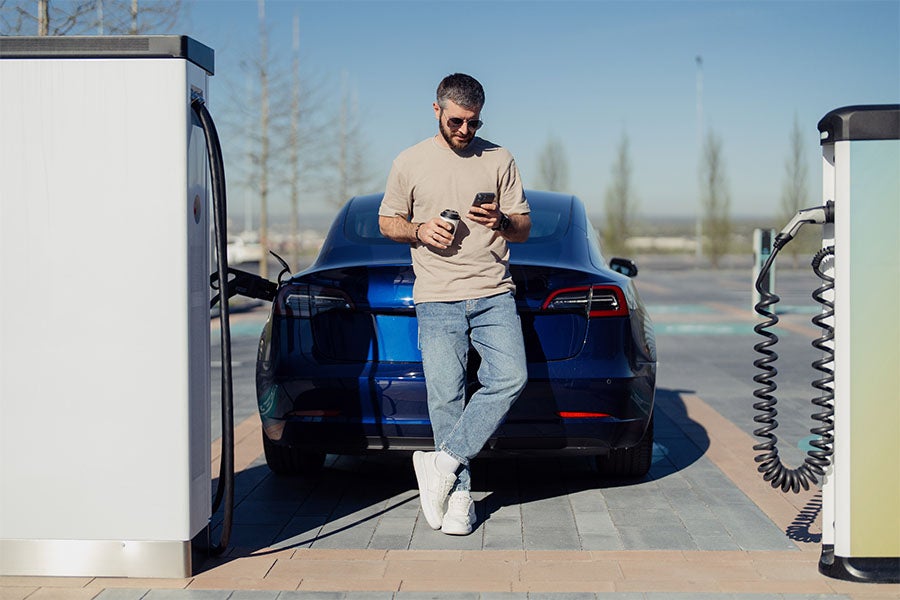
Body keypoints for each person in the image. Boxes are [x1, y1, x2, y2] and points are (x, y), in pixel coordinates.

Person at [378, 73, 531, 536]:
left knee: (510, 377)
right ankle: (460, 495)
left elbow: (523, 226)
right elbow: (388, 221)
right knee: (446, 396)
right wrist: (420, 230)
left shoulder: (499, 158)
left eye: (474, 122)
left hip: (492, 291)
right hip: (437, 297)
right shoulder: (409, 161)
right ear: (437, 110)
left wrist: (501, 219)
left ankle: (442, 463)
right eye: (457, 121)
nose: (465, 131)